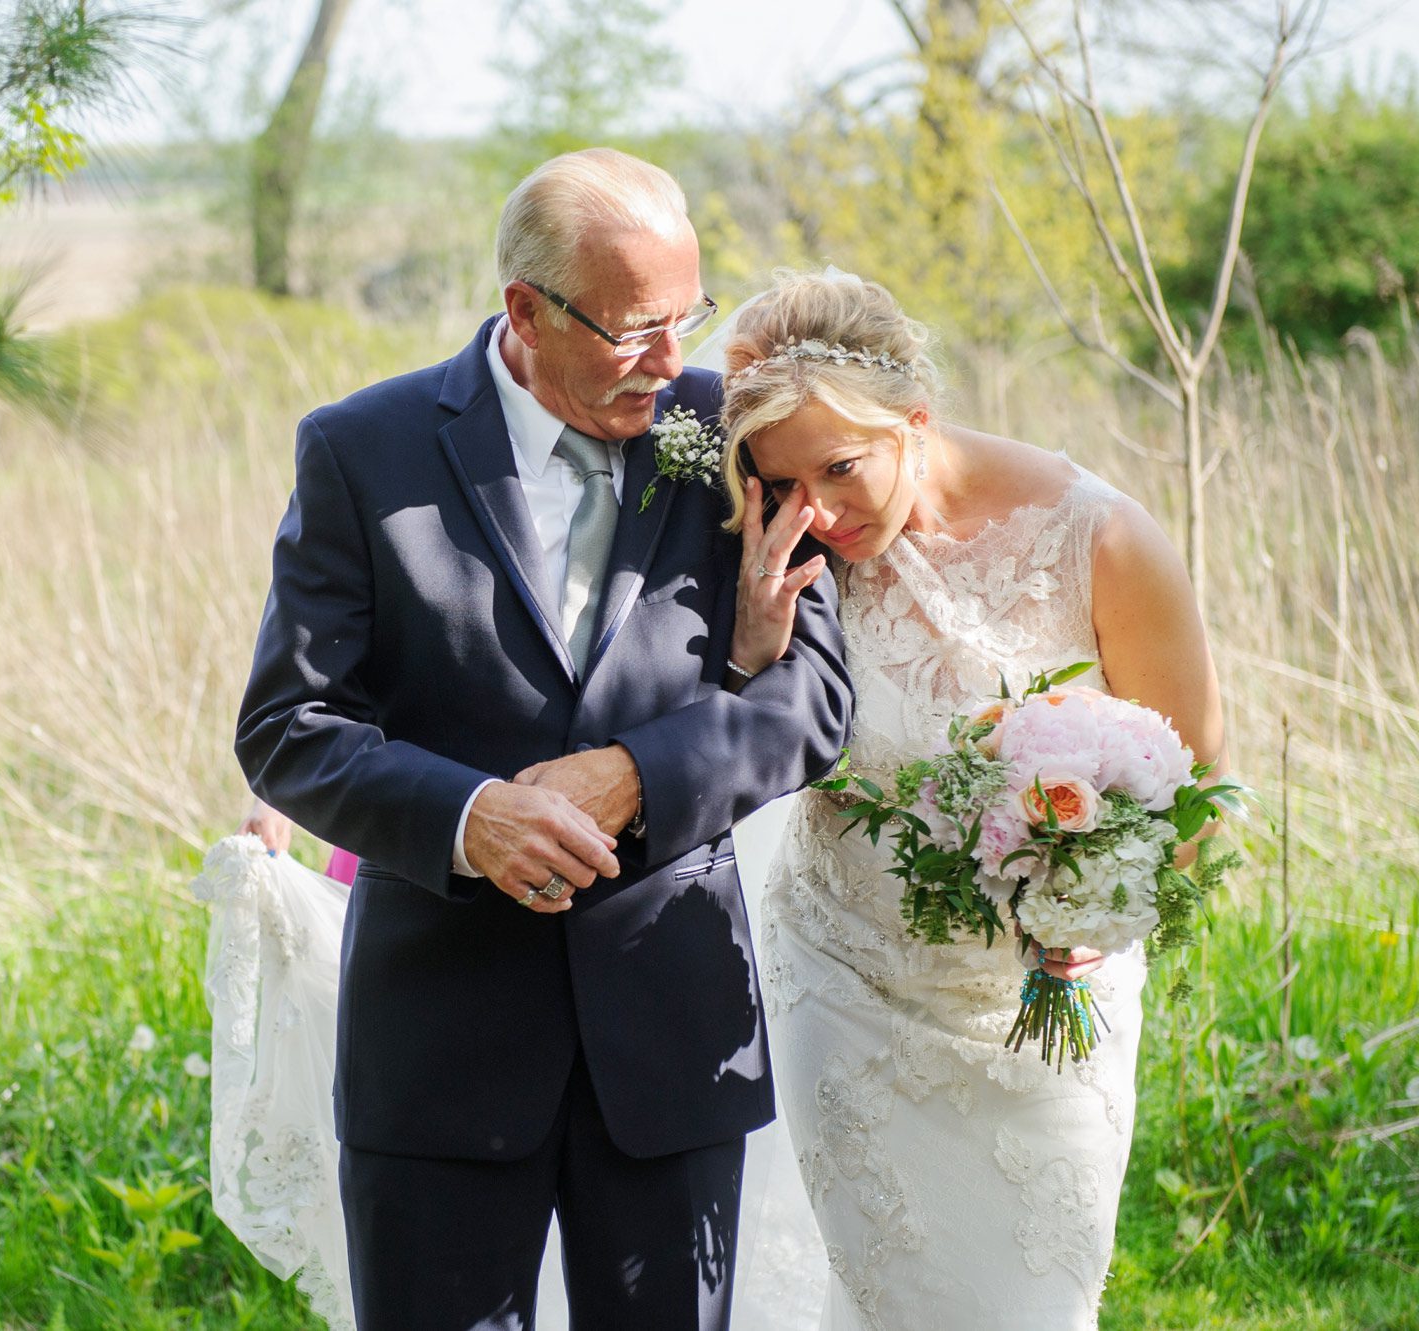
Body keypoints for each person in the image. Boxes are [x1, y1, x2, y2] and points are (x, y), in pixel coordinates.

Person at [231, 148, 853, 1331]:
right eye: (634, 330)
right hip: (439, 1046)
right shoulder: (364, 451)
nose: (675, 361)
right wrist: (469, 817)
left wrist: (635, 775)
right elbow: (287, 725)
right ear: (525, 309)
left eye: (689, 317)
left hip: (673, 1034)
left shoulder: (717, 430)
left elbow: (813, 697)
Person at [721, 268, 1226, 1330]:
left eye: (840, 466)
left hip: (1045, 1012)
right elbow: (739, 736)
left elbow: (1199, 788)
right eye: (781, 482)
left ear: (913, 417)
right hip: (843, 983)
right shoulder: (788, 556)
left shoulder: (1098, 538)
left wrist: (1094, 912)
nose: (815, 507)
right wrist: (752, 648)